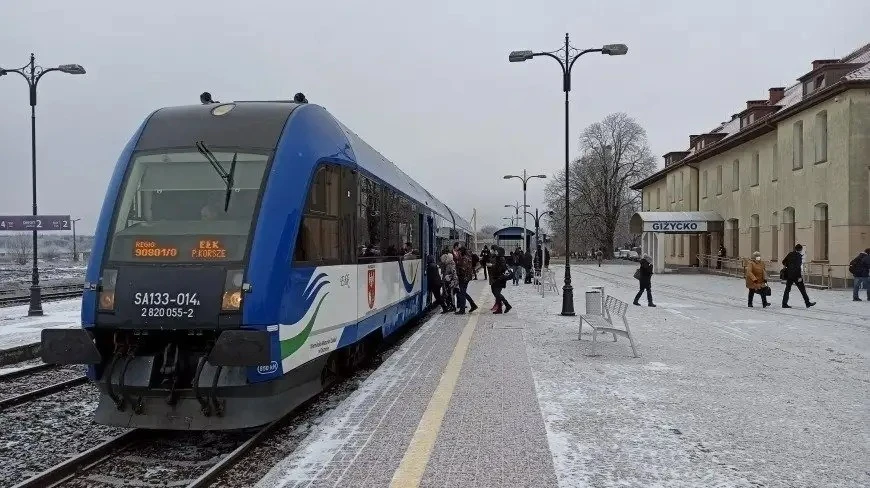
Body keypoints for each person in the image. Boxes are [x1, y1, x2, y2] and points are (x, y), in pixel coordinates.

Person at [781, 244, 816, 308]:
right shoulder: (799, 256)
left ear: (795, 249)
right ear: (800, 250)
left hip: (789, 275)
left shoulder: (790, 254)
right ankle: (807, 303)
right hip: (796, 276)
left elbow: (783, 262)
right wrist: (799, 277)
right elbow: (797, 268)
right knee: (802, 290)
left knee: (787, 290)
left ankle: (784, 303)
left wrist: (788, 266)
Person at [454, 247, 478, 314]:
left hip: (463, 278)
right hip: (466, 278)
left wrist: (457, 268)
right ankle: (473, 305)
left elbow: (463, 269)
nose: (457, 253)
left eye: (458, 252)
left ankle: (462, 310)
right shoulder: (467, 257)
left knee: (462, 293)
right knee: (463, 293)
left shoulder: (464, 258)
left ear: (461, 252)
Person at [491, 247, 512, 314]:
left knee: (497, 293)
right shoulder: (498, 258)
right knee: (495, 293)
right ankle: (505, 306)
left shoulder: (501, 258)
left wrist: (493, 266)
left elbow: (501, 268)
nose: (496, 252)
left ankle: (504, 306)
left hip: (500, 278)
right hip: (497, 278)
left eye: (497, 251)